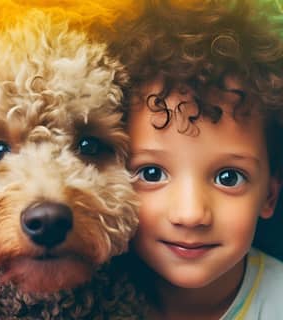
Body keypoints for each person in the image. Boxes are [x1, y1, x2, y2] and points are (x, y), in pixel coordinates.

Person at [109, 0, 283, 319]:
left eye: (228, 177)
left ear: (270, 195)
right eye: (150, 173)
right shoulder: (87, 298)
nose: (190, 214)